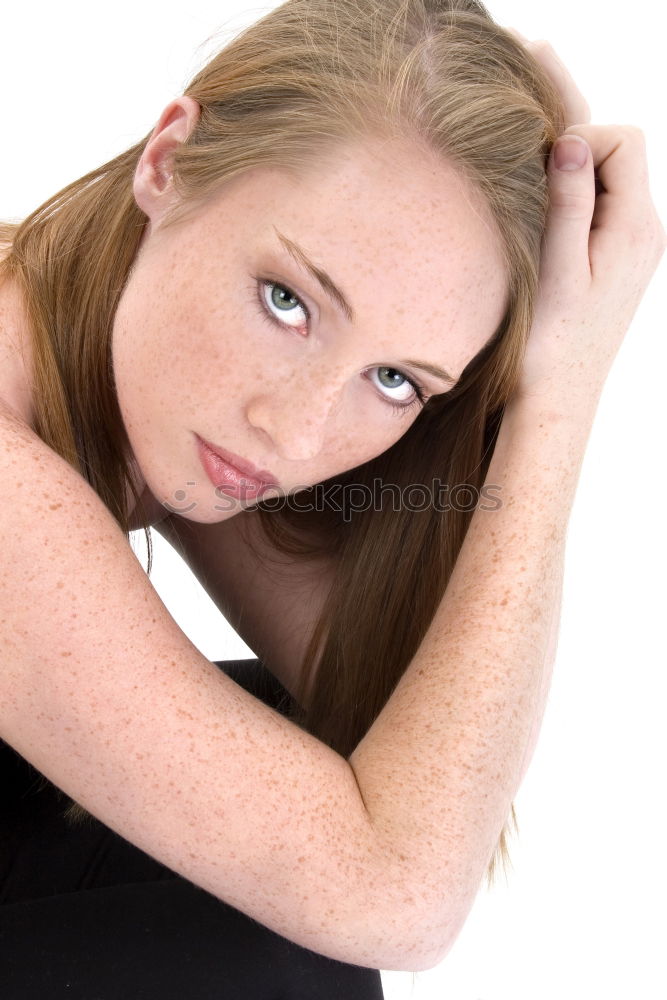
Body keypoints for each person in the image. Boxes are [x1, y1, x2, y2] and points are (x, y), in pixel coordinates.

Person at [0, 0, 664, 995]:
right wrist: (557, 410)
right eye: (287, 301)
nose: (299, 434)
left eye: (396, 379)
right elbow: (396, 890)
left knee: (288, 836)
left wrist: (537, 373)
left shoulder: (160, 396)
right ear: (168, 160)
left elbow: (416, 769)